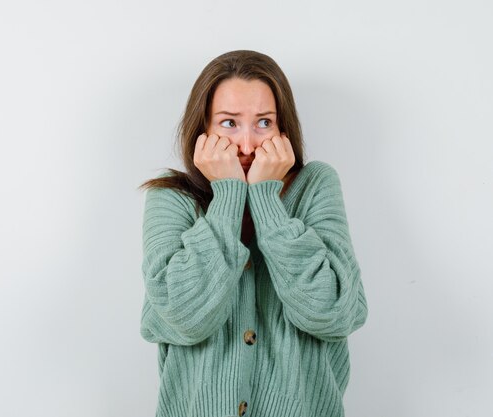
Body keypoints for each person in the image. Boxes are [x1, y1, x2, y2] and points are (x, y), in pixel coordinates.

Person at [137, 50, 368, 417]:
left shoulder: (315, 186)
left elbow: (334, 313)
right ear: (203, 130)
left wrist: (265, 200)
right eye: (229, 123)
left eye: (263, 123)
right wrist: (228, 194)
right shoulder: (171, 198)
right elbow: (182, 316)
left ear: (282, 129)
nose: (247, 145)